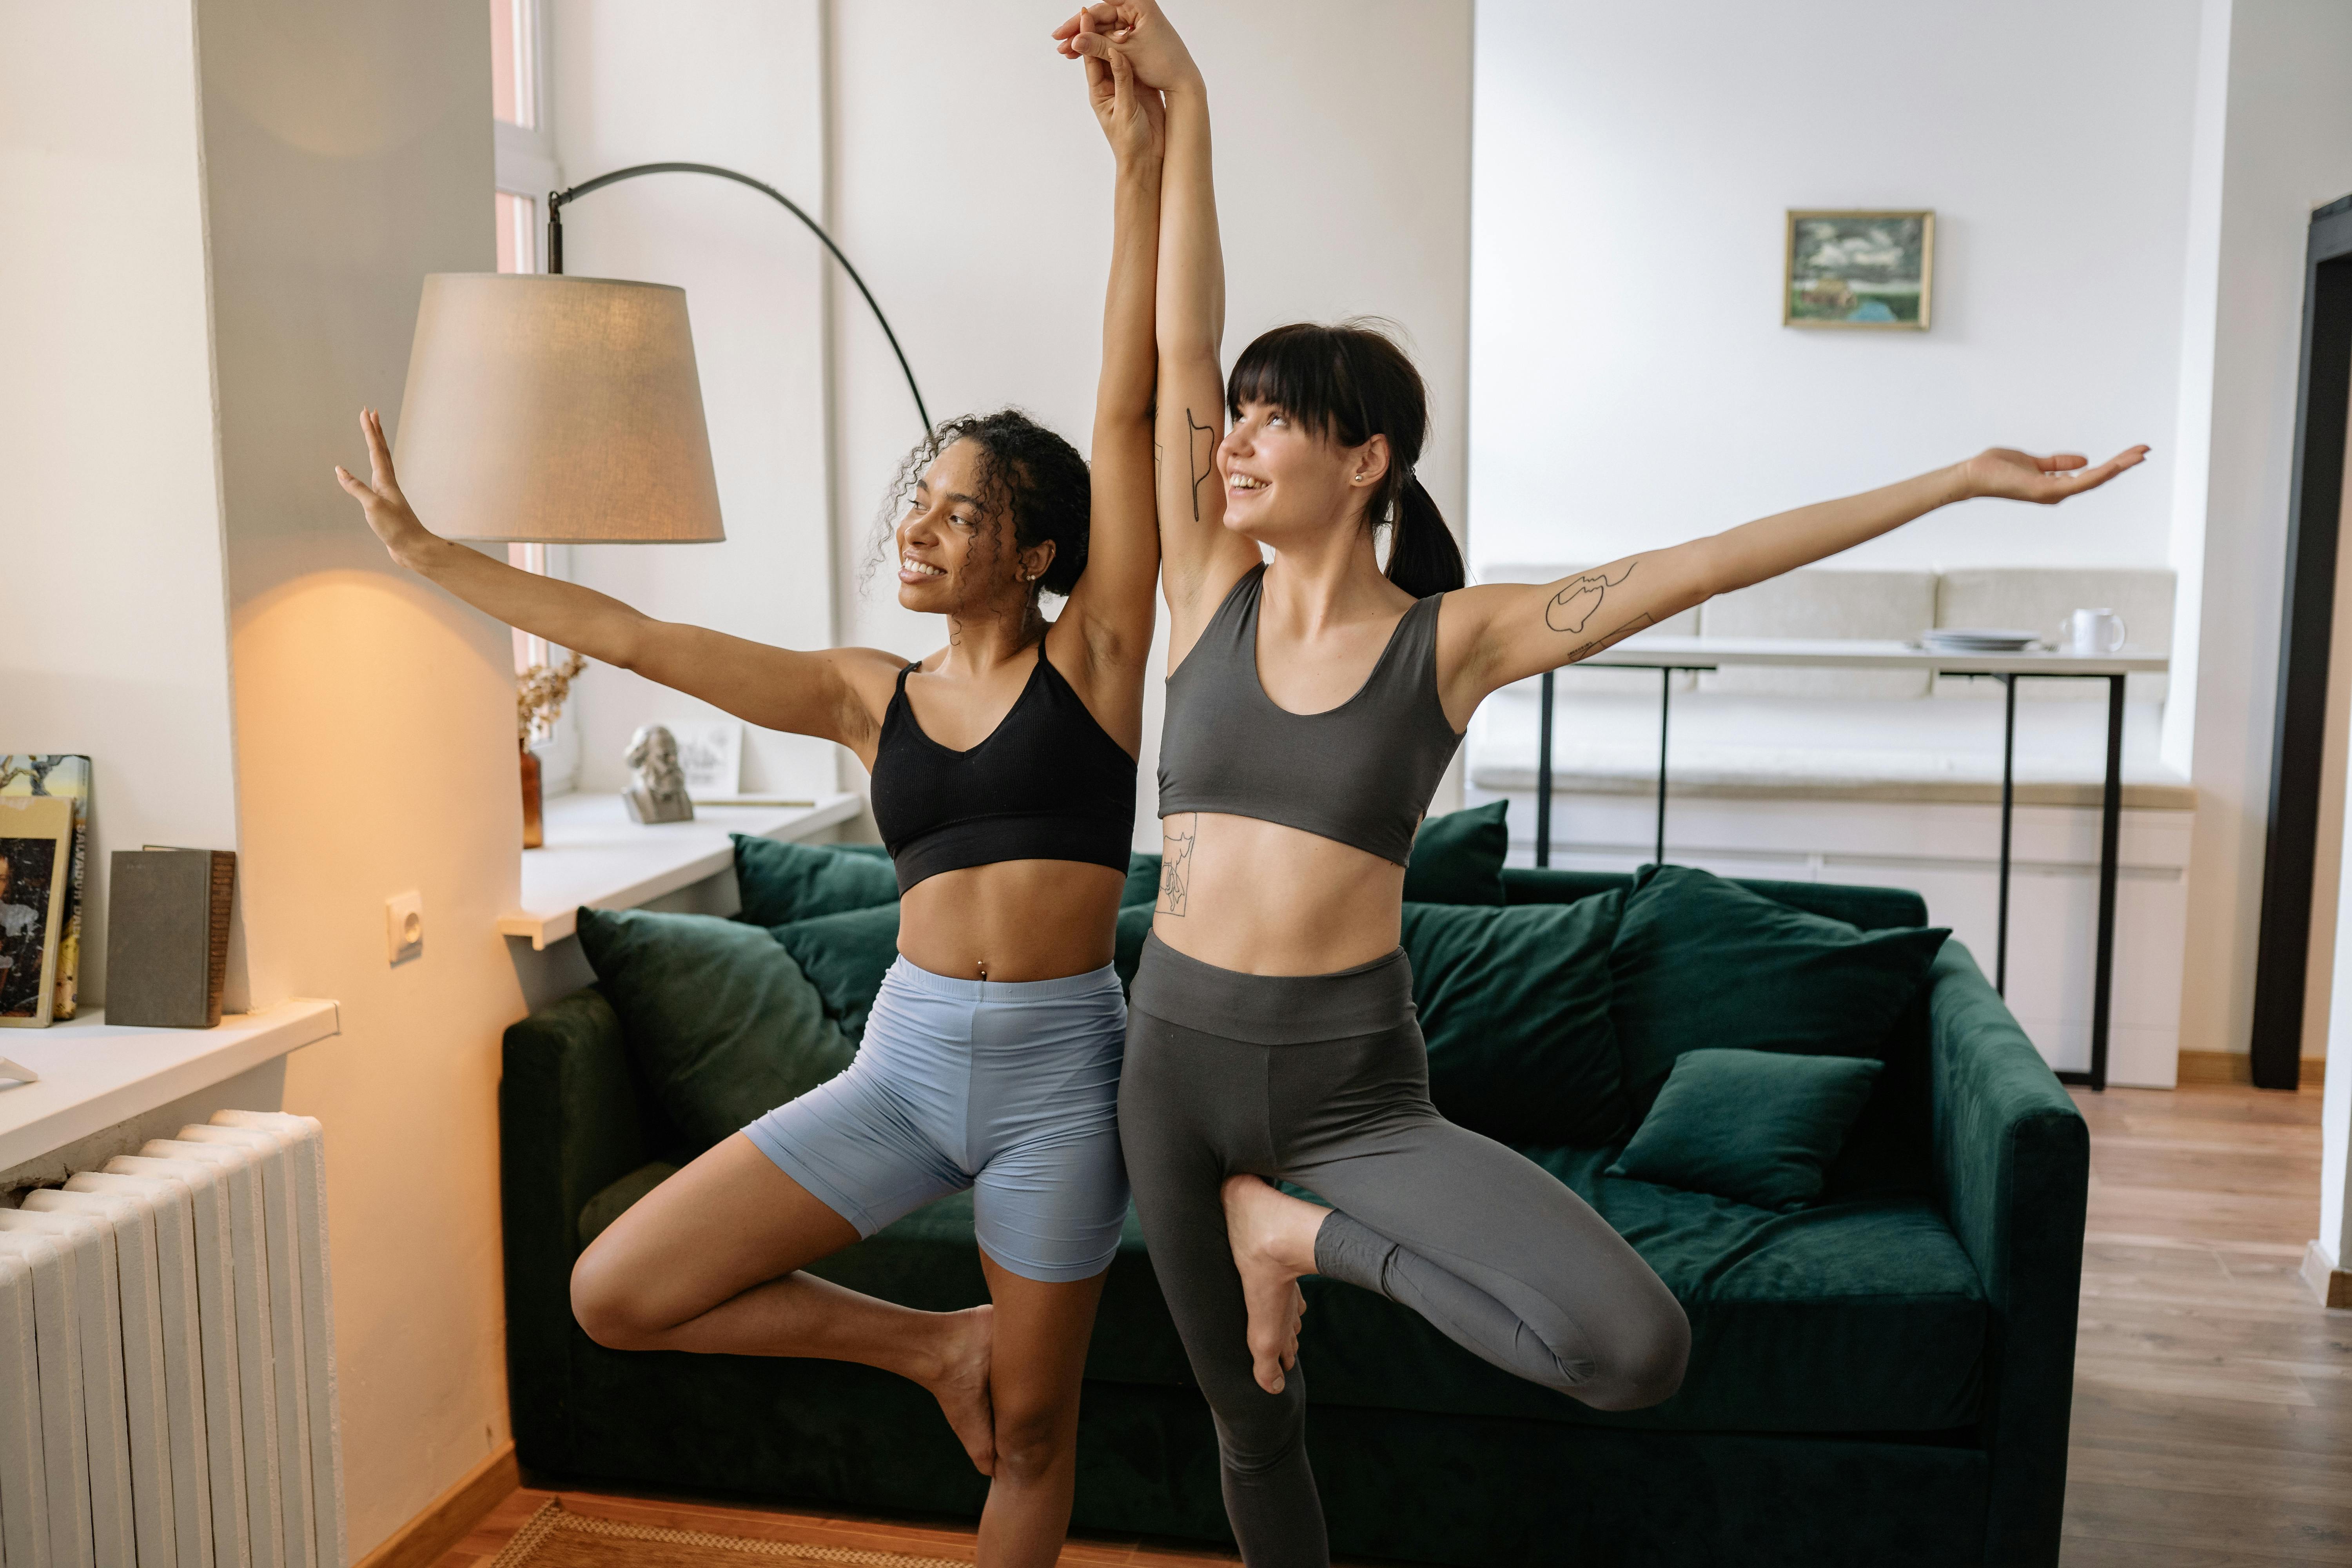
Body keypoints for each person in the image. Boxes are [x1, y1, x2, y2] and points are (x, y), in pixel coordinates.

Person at [1057, 6, 2147, 1564]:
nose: (1229, 438)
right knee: (1252, 1425)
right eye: (1230, 416)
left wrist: (1957, 480)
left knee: (1631, 1347)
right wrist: (1180, 112)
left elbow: (1701, 560)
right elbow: (1176, 344)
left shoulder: (1453, 641)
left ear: (1367, 460)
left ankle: (1290, 1234)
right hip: (1167, 1057)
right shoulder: (1205, 588)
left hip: (1352, 1089)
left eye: (1271, 416)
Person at [334, 36, 1166, 1566]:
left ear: (1039, 550)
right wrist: (435, 555)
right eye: (916, 498)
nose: (917, 523)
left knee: (1041, 1440)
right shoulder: (870, 694)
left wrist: (1140, 163)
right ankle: (936, 1349)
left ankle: (983, 1374)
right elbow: (646, 638)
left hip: (1061, 1078)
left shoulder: (1099, 662)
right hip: (908, 1064)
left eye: (960, 508)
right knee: (618, 1288)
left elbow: (1130, 409)